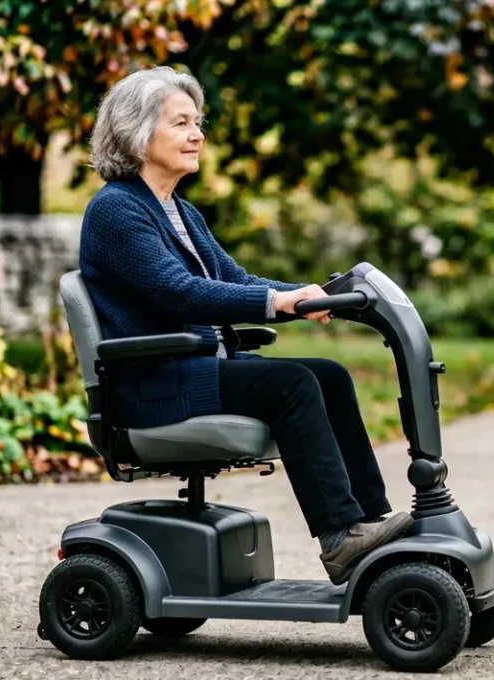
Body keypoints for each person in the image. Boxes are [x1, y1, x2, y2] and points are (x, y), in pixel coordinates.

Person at [78, 66, 411, 584]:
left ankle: (371, 521)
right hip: (153, 382)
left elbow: (232, 279)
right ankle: (340, 538)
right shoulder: (115, 211)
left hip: (194, 370)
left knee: (329, 374)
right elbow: (178, 290)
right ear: (137, 134)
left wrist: (306, 296)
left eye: (198, 122)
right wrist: (277, 303)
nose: (197, 134)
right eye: (181, 123)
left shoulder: (179, 211)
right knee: (293, 385)